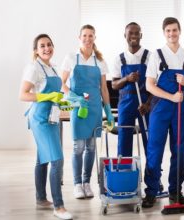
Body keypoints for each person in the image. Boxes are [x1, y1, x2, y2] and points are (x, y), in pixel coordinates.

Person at [142, 17, 184, 208]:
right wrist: (171, 96)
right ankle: (151, 191)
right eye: (168, 31)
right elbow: (149, 86)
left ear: (179, 31)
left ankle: (175, 190)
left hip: (181, 108)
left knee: (180, 148)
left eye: (174, 30)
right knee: (154, 149)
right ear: (164, 33)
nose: (172, 34)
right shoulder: (156, 56)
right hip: (160, 107)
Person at [19, 34, 72, 219]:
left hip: (52, 117)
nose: (46, 48)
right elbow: (23, 95)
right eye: (42, 46)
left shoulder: (53, 67)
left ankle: (41, 198)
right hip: (40, 119)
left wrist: (71, 102)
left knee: (42, 158)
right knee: (57, 160)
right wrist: (48, 97)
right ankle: (59, 206)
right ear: (36, 50)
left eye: (49, 45)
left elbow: (58, 94)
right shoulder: (33, 68)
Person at [61, 24, 114, 199]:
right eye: (85, 35)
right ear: (79, 37)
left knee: (91, 147)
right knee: (78, 147)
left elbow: (104, 89)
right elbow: (61, 83)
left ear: (94, 38)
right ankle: (77, 184)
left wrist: (108, 111)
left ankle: (86, 182)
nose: (88, 38)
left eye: (91, 35)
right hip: (78, 107)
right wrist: (74, 98)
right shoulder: (71, 58)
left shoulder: (99, 61)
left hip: (94, 109)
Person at [111, 22, 151, 157]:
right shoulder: (119, 59)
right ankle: (124, 172)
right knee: (124, 138)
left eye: (136, 33)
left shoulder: (150, 57)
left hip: (144, 102)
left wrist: (148, 104)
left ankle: (152, 176)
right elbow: (114, 85)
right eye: (130, 33)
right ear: (125, 35)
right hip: (125, 102)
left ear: (141, 35)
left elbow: (155, 85)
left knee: (149, 138)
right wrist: (127, 78)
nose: (133, 36)